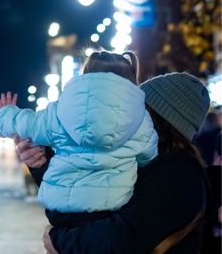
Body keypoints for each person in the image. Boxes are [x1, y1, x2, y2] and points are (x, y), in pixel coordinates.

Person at [16, 72, 211, 253]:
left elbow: (124, 235)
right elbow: (84, 203)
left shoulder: (180, 175)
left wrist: (61, 242)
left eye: (138, 107)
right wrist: (42, 165)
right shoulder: (140, 158)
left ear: (159, 118)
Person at [0, 51, 158, 228]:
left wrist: (6, 114)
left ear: (85, 74)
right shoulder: (140, 119)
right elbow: (148, 156)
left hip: (62, 210)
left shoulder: (61, 111)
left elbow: (28, 125)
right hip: (112, 209)